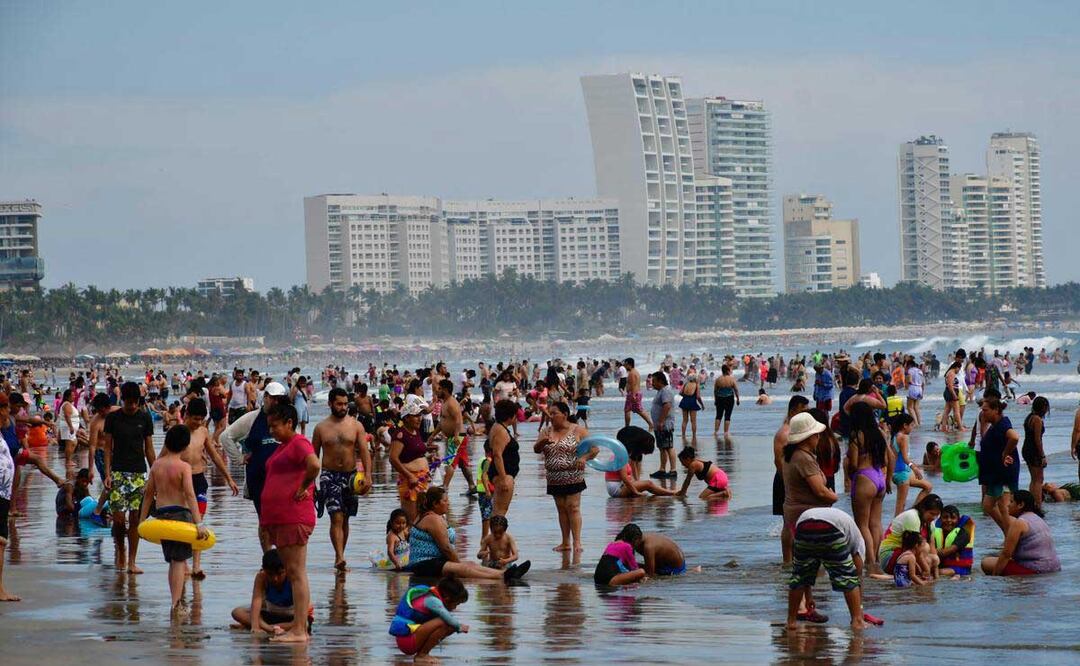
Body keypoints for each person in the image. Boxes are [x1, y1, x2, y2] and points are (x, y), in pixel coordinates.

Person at [259, 403, 319, 643]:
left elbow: (314, 464)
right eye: (269, 426)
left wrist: (304, 487)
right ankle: (299, 627)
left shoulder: (298, 443)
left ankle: (300, 630)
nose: (271, 430)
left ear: (289, 423)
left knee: (295, 573)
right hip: (281, 518)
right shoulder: (284, 446)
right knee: (295, 572)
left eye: (275, 426)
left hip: (294, 517)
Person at [137, 425, 209, 615]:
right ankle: (176, 604)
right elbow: (190, 495)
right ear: (185, 447)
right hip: (180, 515)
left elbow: (148, 495)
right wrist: (199, 523)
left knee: (172, 561)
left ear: (167, 443)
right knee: (178, 561)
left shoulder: (156, 466)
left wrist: (141, 521)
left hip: (162, 515)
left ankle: (175, 601)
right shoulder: (184, 467)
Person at [219, 381, 289, 551]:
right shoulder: (252, 419)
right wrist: (239, 458)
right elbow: (225, 437)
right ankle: (267, 557)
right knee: (264, 520)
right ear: (265, 397)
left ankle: (282, 556)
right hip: (258, 479)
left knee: (282, 520)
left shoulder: (287, 420)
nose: (276, 403)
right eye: (273, 399)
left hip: (282, 480)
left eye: (280, 399)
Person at [406, 487, 529, 581]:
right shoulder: (433, 519)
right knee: (464, 569)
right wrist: (458, 564)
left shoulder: (428, 516)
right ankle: (503, 577)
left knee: (471, 564)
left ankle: (505, 574)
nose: (448, 503)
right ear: (435, 504)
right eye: (445, 501)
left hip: (432, 561)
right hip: (425, 564)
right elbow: (446, 548)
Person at [312, 387, 372, 573]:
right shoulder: (321, 428)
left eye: (346, 404)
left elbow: (364, 452)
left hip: (351, 476)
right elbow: (313, 457)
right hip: (329, 475)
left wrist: (368, 476)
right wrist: (310, 483)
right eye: (339, 404)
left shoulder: (356, 426)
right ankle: (339, 556)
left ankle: (341, 554)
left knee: (345, 519)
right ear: (330, 404)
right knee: (336, 516)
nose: (343, 407)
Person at [178, 398, 238, 578]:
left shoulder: (203, 432)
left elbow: (214, 456)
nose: (197, 423)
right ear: (186, 415)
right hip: (181, 482)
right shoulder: (178, 433)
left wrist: (229, 478)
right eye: (194, 418)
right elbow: (165, 459)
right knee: (184, 523)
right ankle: (184, 564)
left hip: (199, 480)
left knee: (199, 523)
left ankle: (196, 566)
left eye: (201, 419)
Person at [103, 381, 156, 574]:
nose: (132, 406)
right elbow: (107, 448)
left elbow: (149, 448)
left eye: (135, 402)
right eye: (129, 402)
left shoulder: (144, 418)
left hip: (139, 473)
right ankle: (121, 549)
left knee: (135, 519)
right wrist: (107, 474)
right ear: (122, 400)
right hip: (118, 472)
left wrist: (155, 473)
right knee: (118, 520)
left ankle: (132, 560)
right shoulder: (113, 419)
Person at [786, 507, 866, 631]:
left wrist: (809, 597)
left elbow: (805, 571)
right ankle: (857, 620)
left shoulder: (847, 523)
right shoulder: (859, 543)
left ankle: (791, 622)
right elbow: (857, 574)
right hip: (831, 527)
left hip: (804, 525)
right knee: (847, 577)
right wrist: (859, 608)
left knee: (800, 574)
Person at [534, 401, 594, 553]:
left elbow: (595, 449)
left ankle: (577, 542)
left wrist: (584, 458)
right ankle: (565, 542)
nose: (551, 416)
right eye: (550, 413)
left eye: (554, 413)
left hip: (573, 474)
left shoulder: (579, 430)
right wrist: (541, 442)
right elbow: (536, 449)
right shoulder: (546, 431)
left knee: (573, 507)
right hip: (554, 476)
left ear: (565, 414)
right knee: (561, 509)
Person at [846, 402, 892, 573]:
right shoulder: (879, 433)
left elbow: (854, 463)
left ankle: (870, 562)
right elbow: (889, 459)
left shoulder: (856, 436)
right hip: (879, 476)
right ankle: (879, 559)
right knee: (875, 523)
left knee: (862, 524)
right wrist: (887, 481)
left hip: (865, 477)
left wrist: (850, 472)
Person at [231, 548, 312, 636]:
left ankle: (263, 627)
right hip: (271, 614)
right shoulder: (261, 577)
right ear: (264, 570)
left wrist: (262, 626)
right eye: (270, 574)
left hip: (292, 617)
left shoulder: (294, 578)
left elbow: (303, 605)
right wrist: (255, 627)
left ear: (286, 569)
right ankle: (268, 628)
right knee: (237, 612)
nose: (275, 578)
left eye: (280, 574)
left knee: (305, 624)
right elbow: (256, 600)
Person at [981, 490, 1061, 576]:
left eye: (1011, 502)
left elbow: (1006, 554)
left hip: (1036, 569)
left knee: (986, 562)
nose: (1008, 505)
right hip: (1054, 567)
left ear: (1020, 505)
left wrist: (995, 577)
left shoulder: (1019, 522)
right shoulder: (1038, 518)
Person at [389, 576, 470, 657]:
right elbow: (448, 618)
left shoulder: (430, 594)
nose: (455, 608)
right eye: (456, 604)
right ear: (447, 598)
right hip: (407, 640)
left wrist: (456, 627)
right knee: (444, 621)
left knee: (450, 626)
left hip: (409, 638)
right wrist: (459, 627)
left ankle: (422, 654)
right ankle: (423, 655)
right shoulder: (432, 600)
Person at [774, 396, 809, 564]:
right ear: (794, 410)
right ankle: (787, 561)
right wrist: (788, 483)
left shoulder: (797, 431)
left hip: (796, 481)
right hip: (785, 481)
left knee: (800, 522)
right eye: (804, 411)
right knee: (788, 522)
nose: (806, 414)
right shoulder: (784, 433)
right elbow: (778, 461)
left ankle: (798, 557)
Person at [978, 397, 1020, 535]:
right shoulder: (995, 425)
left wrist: (1005, 453)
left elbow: (1014, 437)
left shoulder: (1002, 424)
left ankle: (1011, 535)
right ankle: (1007, 532)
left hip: (1004, 473)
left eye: (985, 410)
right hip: (995, 473)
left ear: (996, 410)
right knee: (988, 505)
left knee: (1004, 506)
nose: (983, 413)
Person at [389, 401, 434, 523]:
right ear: (406, 418)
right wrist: (409, 476)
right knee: (412, 519)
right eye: (416, 416)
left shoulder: (416, 431)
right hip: (410, 481)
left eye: (420, 415)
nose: (419, 419)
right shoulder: (400, 434)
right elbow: (393, 458)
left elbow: (415, 451)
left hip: (422, 479)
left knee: (422, 515)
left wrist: (430, 456)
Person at [878, 494, 942, 576]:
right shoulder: (912, 517)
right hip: (889, 557)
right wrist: (926, 570)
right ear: (923, 509)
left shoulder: (930, 523)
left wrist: (935, 576)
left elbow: (933, 551)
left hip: (907, 555)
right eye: (932, 514)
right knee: (924, 547)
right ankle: (909, 576)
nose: (934, 517)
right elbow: (915, 549)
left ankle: (913, 578)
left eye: (937, 515)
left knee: (934, 559)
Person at [433, 379, 476, 495]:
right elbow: (442, 423)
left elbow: (458, 420)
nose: (437, 391)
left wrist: (456, 436)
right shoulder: (444, 402)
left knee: (450, 462)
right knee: (462, 463)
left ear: (445, 390)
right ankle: (472, 486)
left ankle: (445, 487)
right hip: (455, 437)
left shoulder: (452, 403)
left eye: (439, 388)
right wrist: (432, 435)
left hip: (457, 437)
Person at [890, 413, 932, 516]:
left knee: (928, 486)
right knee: (900, 508)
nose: (912, 428)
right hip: (901, 474)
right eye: (912, 425)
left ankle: (912, 512)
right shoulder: (904, 437)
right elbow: (905, 458)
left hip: (899, 472)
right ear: (905, 425)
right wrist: (914, 468)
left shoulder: (895, 436)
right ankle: (895, 528)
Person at [487, 399, 521, 519]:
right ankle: (497, 536)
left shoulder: (497, 427)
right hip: (503, 474)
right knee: (500, 511)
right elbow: (497, 454)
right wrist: (503, 478)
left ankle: (497, 535)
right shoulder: (501, 431)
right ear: (510, 416)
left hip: (503, 473)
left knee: (498, 510)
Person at [0, 398, 18, 601]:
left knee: (1, 541)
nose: (8, 413)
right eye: (5, 408)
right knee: (1, 541)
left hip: (3, 494)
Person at [1021, 396, 1049, 510]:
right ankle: (1037, 505)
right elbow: (1038, 439)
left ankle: (1031, 503)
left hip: (1027, 448)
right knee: (1039, 479)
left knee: (1034, 478)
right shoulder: (1037, 419)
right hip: (1033, 450)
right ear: (1042, 407)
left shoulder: (1029, 417)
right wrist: (1042, 455)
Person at [931, 505, 974, 576]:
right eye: (945, 517)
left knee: (938, 573)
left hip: (959, 568)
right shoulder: (935, 532)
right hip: (941, 566)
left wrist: (932, 551)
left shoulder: (963, 534)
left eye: (953, 518)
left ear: (958, 520)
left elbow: (947, 551)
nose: (949, 520)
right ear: (940, 519)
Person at [648, 372, 677, 479]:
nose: (652, 383)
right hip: (660, 424)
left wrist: (661, 421)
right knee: (662, 447)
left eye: (654, 381)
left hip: (665, 424)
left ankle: (673, 470)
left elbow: (667, 406)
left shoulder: (666, 391)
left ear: (660, 381)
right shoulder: (661, 391)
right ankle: (662, 469)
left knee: (668, 446)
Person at [605, 461, 677, 498]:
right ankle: (672, 493)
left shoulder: (619, 456)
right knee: (648, 484)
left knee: (645, 484)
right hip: (617, 489)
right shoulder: (621, 459)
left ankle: (670, 492)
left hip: (617, 487)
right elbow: (625, 479)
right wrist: (636, 492)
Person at [622, 358, 652, 429]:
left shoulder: (632, 373)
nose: (625, 366)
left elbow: (633, 385)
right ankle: (650, 424)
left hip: (633, 394)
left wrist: (632, 395)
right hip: (635, 393)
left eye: (625, 365)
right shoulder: (635, 372)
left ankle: (627, 427)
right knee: (637, 410)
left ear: (629, 364)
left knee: (630, 410)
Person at [712, 363, 740, 438]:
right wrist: (737, 399)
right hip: (729, 398)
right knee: (727, 415)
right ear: (727, 371)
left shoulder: (718, 379)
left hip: (720, 398)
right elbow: (736, 390)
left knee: (718, 415)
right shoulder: (731, 379)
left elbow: (715, 391)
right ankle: (726, 432)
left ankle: (715, 432)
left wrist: (715, 400)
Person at [678, 371, 703, 441]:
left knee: (685, 420)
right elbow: (698, 396)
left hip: (684, 401)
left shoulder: (686, 384)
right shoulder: (696, 385)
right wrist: (702, 404)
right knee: (693, 421)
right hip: (692, 402)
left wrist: (686, 396)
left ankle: (683, 435)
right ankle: (694, 435)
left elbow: (680, 393)